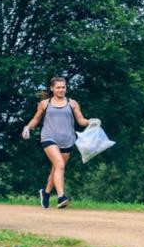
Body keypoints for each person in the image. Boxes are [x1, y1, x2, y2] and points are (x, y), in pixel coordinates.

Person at [21, 76, 98, 209]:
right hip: (49, 137)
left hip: (67, 139)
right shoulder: (45, 103)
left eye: (63, 87)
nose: (61, 90)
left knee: (57, 168)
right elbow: (36, 119)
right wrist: (27, 127)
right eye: (58, 87)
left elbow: (81, 121)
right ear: (52, 88)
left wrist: (91, 122)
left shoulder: (72, 103)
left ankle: (45, 193)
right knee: (60, 164)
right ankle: (61, 197)